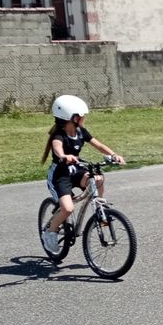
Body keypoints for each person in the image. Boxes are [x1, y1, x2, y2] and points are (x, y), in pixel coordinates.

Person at [40, 95, 125, 255]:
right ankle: (49, 232)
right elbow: (57, 148)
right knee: (68, 208)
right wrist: (64, 156)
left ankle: (100, 206)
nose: (84, 118)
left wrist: (114, 155)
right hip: (60, 175)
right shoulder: (59, 134)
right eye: (81, 115)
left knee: (98, 178)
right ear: (71, 117)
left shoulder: (81, 132)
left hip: (76, 170)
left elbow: (98, 145)